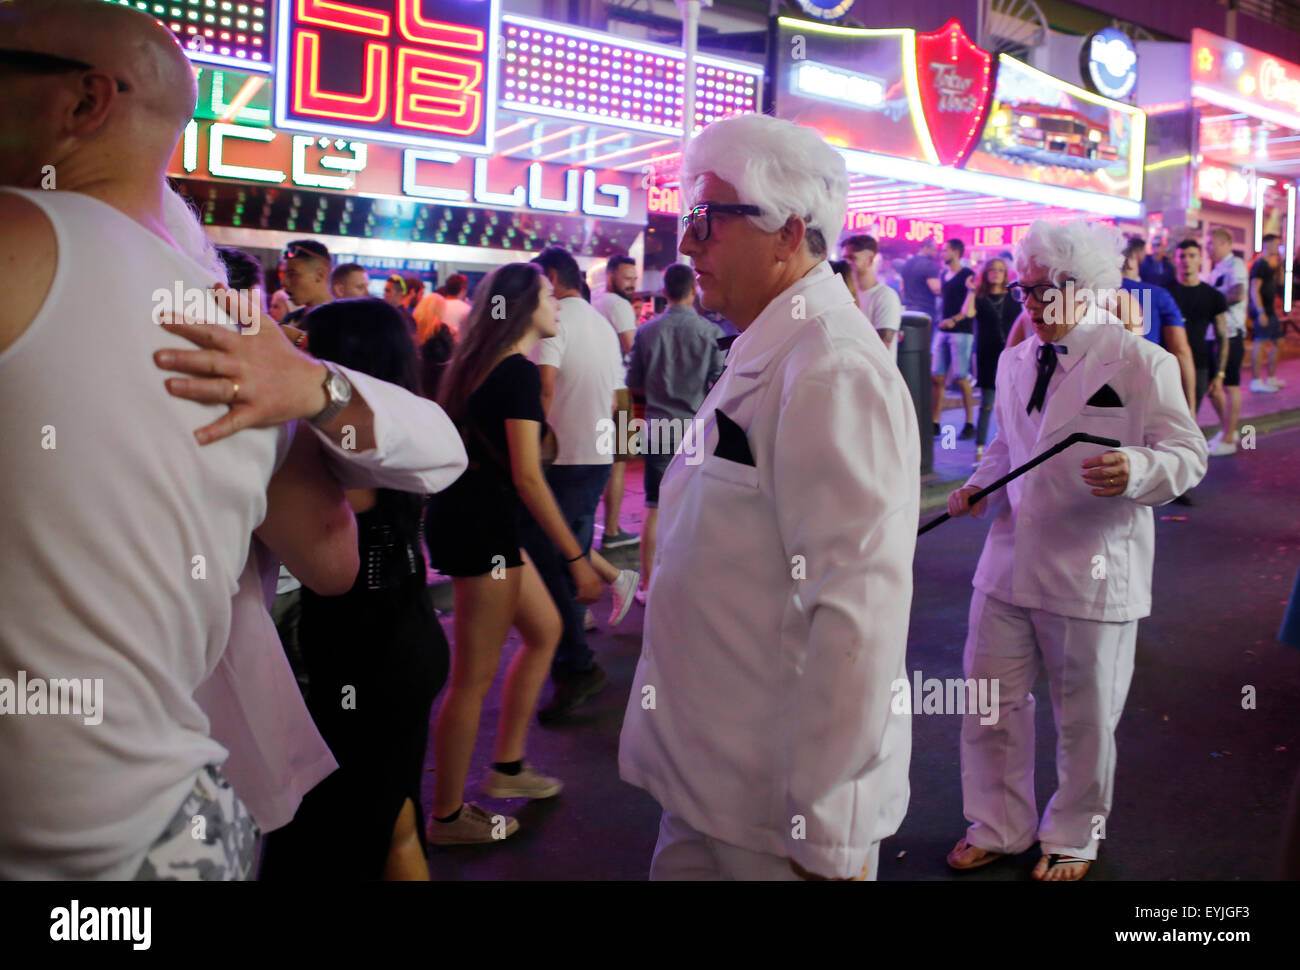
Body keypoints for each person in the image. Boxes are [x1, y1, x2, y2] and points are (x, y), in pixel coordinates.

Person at [0, 0, 353, 879]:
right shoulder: (246, 339)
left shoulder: (20, 234)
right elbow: (332, 558)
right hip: (181, 825)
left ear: (84, 103)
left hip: (52, 846)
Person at [619, 113, 919, 881]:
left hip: (777, 814)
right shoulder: (767, 343)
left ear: (788, 233)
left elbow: (860, 612)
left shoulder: (833, 365)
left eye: (707, 221)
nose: (686, 243)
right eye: (687, 219)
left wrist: (828, 829)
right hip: (713, 780)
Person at [944, 220, 1208, 882]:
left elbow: (1188, 453)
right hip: (1006, 563)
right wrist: (979, 484)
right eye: (1024, 292)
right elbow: (1007, 445)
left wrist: (1139, 469)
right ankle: (997, 824)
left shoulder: (1141, 361)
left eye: (1043, 293)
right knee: (988, 703)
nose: (1029, 307)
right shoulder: (1013, 361)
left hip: (1094, 571)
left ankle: (1075, 832)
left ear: (1085, 289)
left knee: (1085, 718)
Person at [257, 299, 449, 880]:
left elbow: (326, 566)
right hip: (410, 646)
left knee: (343, 833)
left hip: (360, 667)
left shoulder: (326, 453)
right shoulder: (400, 434)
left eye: (311, 349)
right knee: (395, 816)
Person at [424, 263, 601, 844]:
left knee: (546, 630)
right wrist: (578, 558)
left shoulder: (481, 367)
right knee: (472, 678)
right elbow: (529, 475)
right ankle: (447, 816)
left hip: (478, 524)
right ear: (524, 306)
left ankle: (506, 769)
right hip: (482, 531)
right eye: (549, 295)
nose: (558, 303)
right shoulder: (517, 375)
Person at [521, 247, 631, 721]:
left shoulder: (556, 317)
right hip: (595, 454)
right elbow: (616, 391)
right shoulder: (602, 324)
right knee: (565, 553)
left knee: (554, 558)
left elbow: (543, 386)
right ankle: (575, 656)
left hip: (562, 458)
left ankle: (575, 666)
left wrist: (535, 441)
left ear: (549, 280)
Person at [625, 262, 724, 604]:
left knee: (654, 506)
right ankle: (687, 581)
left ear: (664, 291)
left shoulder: (647, 332)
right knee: (692, 507)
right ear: (693, 290)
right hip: (694, 428)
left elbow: (634, 383)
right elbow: (719, 380)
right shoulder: (709, 332)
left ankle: (649, 586)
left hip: (657, 427)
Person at [593, 254, 640, 551]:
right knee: (619, 462)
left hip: (596, 388)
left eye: (634, 279)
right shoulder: (620, 306)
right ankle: (611, 530)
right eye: (627, 279)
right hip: (618, 389)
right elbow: (632, 348)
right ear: (610, 276)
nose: (632, 284)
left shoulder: (596, 302)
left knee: (600, 459)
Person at [1121, 237, 1196, 415]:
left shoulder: (1080, 297)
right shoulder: (1157, 295)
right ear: (1130, 262)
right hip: (1146, 389)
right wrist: (1190, 407)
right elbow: (1180, 351)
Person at [961, 257, 1019, 463]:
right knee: (987, 404)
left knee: (1013, 405)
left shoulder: (1013, 297)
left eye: (1001, 270)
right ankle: (979, 451)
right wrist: (971, 290)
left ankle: (1014, 450)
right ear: (985, 273)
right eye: (992, 269)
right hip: (987, 355)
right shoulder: (980, 297)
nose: (996, 273)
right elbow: (967, 314)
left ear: (1006, 274)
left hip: (1012, 355)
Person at [1168, 238, 1230, 420]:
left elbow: (1222, 337)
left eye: (1192, 255)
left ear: (1200, 259)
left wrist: (1219, 374)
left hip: (1199, 365)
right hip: (1168, 363)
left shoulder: (1213, 296)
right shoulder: (1164, 293)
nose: (1186, 260)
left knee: (1189, 417)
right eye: (1182, 256)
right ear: (1175, 260)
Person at [1206, 229, 1249, 456]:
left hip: (1231, 333)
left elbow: (1238, 293)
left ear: (1225, 243)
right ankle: (1228, 430)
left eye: (1211, 243)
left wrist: (1210, 303)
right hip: (1214, 334)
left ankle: (1229, 437)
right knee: (1213, 389)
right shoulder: (1216, 269)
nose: (1207, 248)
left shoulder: (1235, 265)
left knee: (1230, 386)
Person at [932, 238, 977, 440]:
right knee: (937, 375)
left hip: (961, 331)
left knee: (961, 377)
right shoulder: (943, 274)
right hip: (943, 329)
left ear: (957, 252)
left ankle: (969, 423)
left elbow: (971, 304)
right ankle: (935, 421)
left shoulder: (968, 275)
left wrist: (954, 320)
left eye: (946, 250)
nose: (942, 253)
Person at [841, 234, 902, 362]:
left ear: (870, 260)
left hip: (877, 376)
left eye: (852, 258)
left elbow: (882, 348)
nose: (847, 263)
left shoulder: (886, 296)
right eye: (845, 258)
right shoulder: (844, 293)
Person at [1249, 235, 1283, 394]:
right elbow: (1254, 289)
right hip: (1262, 311)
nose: (1277, 247)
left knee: (1278, 342)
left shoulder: (1272, 264)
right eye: (1275, 244)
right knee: (1261, 343)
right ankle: (1256, 381)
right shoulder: (1260, 264)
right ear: (1267, 245)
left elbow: (1280, 283)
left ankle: (1271, 377)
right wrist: (1260, 311)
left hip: (1271, 310)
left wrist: (1280, 266)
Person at [279, 239, 333, 326]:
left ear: (320, 275)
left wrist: (298, 337)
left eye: (292, 274)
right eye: (283, 274)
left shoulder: (345, 321)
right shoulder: (289, 321)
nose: (283, 282)